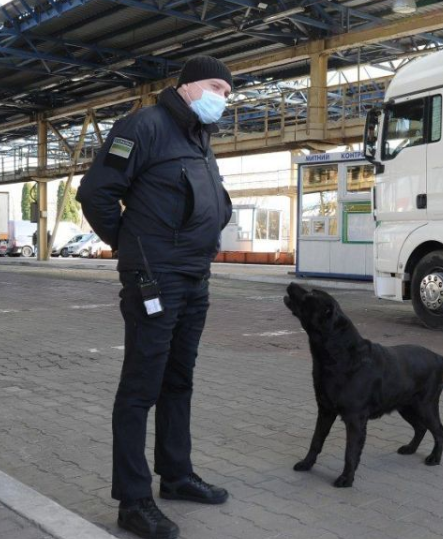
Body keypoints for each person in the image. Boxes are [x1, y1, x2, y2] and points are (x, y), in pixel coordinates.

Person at [77, 56, 234, 539]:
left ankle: (177, 475)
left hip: (194, 275)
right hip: (154, 278)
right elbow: (95, 193)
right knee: (141, 387)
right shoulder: (141, 127)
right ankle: (133, 500)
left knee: (179, 380)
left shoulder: (198, 137)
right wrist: (131, 245)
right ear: (187, 87)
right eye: (215, 88)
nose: (222, 100)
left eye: (228, 93)